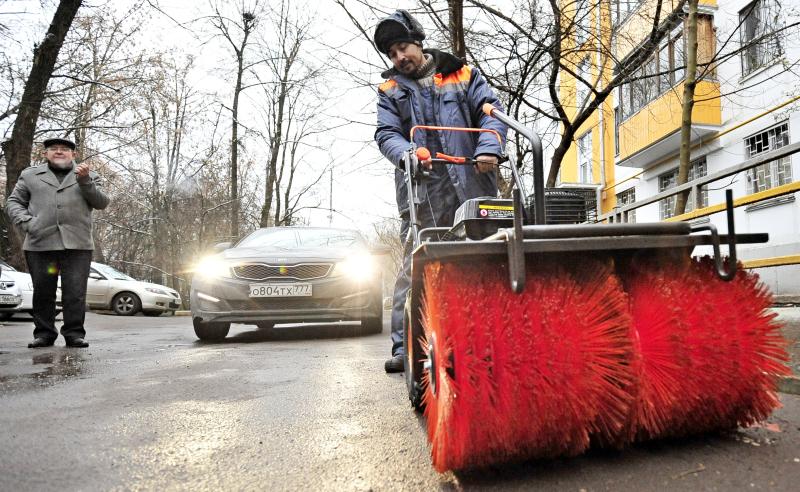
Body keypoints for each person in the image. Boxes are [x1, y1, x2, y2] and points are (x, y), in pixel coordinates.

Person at [373, 10, 508, 373]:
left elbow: (490, 113)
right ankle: (407, 347)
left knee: (483, 261)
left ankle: (492, 338)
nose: (400, 57)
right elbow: (387, 135)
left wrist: (488, 149)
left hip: (471, 184)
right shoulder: (391, 91)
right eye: (392, 54)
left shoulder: (463, 75)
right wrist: (407, 153)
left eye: (403, 47)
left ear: (418, 42)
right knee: (414, 266)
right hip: (422, 191)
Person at [6, 137, 110, 348]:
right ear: (46, 153)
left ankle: (74, 334)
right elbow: (13, 202)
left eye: (65, 149)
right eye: (54, 149)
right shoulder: (30, 175)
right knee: (43, 291)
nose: (59, 152)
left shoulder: (89, 176)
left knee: (75, 292)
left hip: (77, 245)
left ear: (74, 154)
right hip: (40, 243)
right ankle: (44, 334)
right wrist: (27, 222)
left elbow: (101, 202)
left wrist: (85, 181)